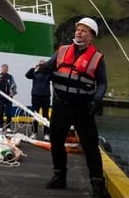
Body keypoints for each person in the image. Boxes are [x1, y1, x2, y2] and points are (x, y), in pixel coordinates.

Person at [38, 17, 107, 198]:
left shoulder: (97, 58)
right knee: (56, 141)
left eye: (84, 30)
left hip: (83, 107)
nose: (79, 32)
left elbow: (102, 83)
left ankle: (97, 183)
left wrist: (97, 100)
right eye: (78, 29)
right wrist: (38, 70)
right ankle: (59, 176)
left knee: (90, 146)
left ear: (91, 36)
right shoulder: (62, 51)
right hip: (61, 105)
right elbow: (48, 67)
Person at [25, 59, 51, 140]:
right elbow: (27, 75)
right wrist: (33, 68)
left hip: (45, 96)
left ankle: (46, 134)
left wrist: (49, 68)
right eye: (40, 65)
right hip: (36, 96)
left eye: (43, 65)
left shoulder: (48, 74)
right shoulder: (35, 73)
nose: (41, 66)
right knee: (35, 115)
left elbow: (54, 76)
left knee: (45, 115)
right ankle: (34, 132)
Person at [0, 63, 17, 132]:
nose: (4, 70)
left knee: (8, 112)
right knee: (0, 112)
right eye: (3, 68)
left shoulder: (10, 77)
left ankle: (8, 127)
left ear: (7, 69)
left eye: (6, 68)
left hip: (8, 97)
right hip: (0, 97)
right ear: (1, 69)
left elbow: (14, 85)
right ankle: (0, 126)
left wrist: (13, 92)